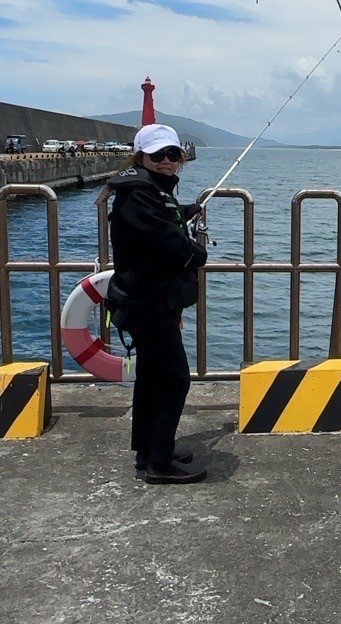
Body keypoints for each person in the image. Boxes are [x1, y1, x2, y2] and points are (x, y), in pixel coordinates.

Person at [105, 124, 208, 484]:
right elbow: (169, 244)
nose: (167, 162)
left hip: (147, 300)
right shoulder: (136, 197)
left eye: (173, 154)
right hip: (149, 303)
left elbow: (164, 217)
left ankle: (148, 450)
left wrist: (187, 210)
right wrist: (197, 253)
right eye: (158, 155)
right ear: (141, 158)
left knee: (150, 377)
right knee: (174, 379)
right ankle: (160, 465)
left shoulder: (149, 192)